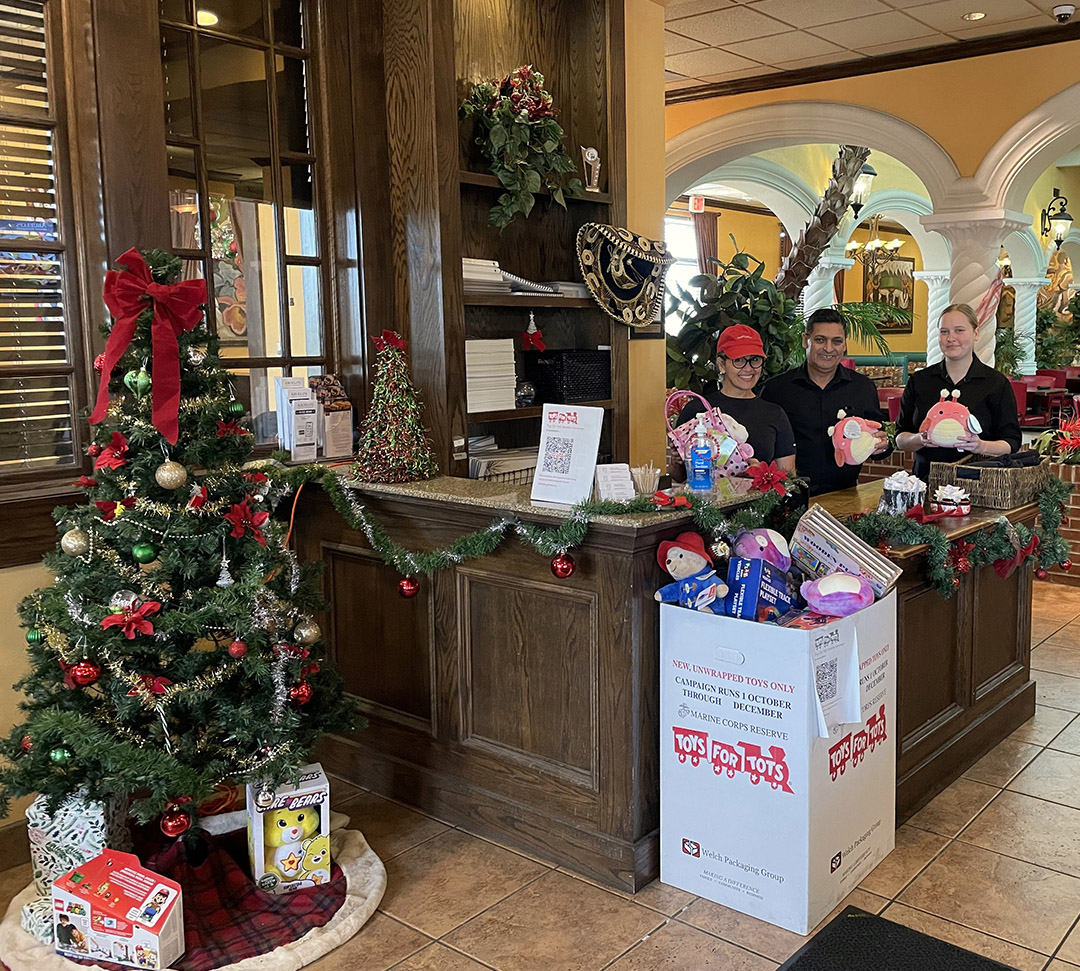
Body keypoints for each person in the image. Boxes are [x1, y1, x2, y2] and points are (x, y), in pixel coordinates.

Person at [761, 308, 890, 496]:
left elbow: (880, 437)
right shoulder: (776, 389)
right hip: (788, 499)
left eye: (836, 341)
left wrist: (883, 445)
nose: (829, 349)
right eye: (820, 340)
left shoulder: (862, 388)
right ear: (806, 340)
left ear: (844, 345)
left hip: (846, 495)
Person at [896, 303, 1021, 480]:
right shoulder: (920, 381)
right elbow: (900, 438)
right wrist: (919, 439)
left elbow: (1012, 442)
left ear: (976, 333)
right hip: (926, 479)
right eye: (944, 331)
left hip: (979, 484)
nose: (950, 338)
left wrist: (980, 446)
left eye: (959, 330)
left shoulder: (996, 383)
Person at [671, 324, 796, 478]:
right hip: (707, 500)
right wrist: (676, 460)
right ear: (721, 364)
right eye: (739, 360)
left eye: (755, 360)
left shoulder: (775, 414)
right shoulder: (697, 410)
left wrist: (762, 474)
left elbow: (788, 479)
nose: (748, 368)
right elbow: (678, 477)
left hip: (762, 502)